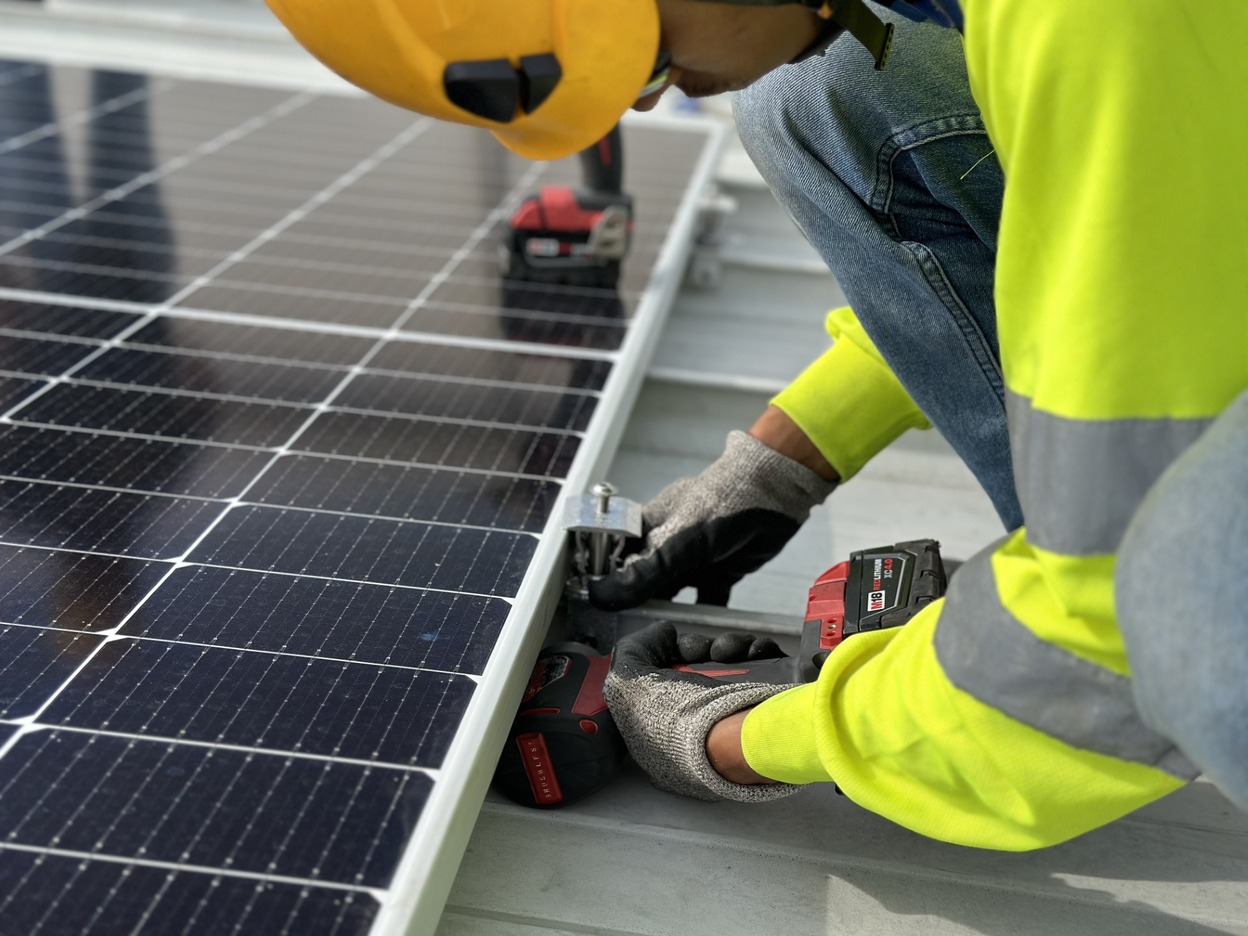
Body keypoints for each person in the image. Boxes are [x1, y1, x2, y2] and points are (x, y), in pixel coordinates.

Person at [267, 0, 1248, 848]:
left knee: (1184, 611)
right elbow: (1085, 263)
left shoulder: (1111, 30)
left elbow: (1118, 641)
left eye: (640, 59)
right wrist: (779, 461)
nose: (651, 98)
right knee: (828, 95)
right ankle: (1056, 572)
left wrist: (758, 738)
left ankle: (1044, 608)